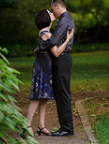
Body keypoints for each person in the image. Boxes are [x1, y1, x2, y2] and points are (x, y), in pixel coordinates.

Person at [25, 9, 74, 137]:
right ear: (45, 18)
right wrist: (67, 39)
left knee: (43, 97)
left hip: (44, 65)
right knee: (37, 97)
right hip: (43, 67)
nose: (52, 14)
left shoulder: (45, 32)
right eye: (49, 13)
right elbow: (56, 52)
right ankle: (26, 125)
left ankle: (41, 126)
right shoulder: (47, 34)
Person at [48, 0, 75, 136]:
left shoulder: (64, 20)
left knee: (63, 94)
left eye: (52, 10)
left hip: (62, 58)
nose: (53, 13)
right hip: (63, 58)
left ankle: (67, 129)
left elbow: (53, 40)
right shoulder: (65, 19)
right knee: (60, 94)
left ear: (57, 6)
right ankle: (64, 127)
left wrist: (40, 46)